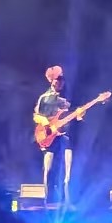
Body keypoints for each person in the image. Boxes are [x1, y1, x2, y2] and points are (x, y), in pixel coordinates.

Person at [33, 66, 74, 207]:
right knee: (48, 169)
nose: (60, 82)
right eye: (57, 79)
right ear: (52, 81)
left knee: (68, 170)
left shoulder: (68, 97)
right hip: (49, 136)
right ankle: (48, 200)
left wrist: (80, 115)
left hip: (65, 135)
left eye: (62, 79)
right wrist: (45, 122)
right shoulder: (44, 98)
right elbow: (37, 116)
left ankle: (67, 201)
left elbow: (75, 113)